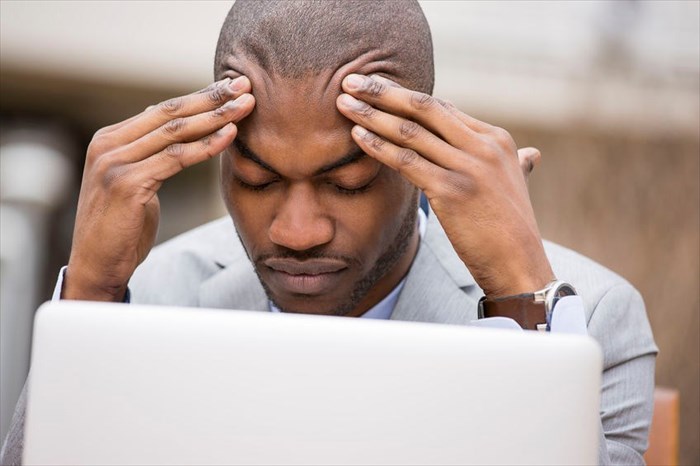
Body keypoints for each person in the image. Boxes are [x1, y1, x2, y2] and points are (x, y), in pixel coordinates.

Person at [0, 1, 657, 465]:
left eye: (346, 185)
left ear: (419, 163)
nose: (297, 231)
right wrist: (88, 292)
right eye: (258, 182)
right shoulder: (151, 293)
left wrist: (519, 297)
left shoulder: (594, 322)